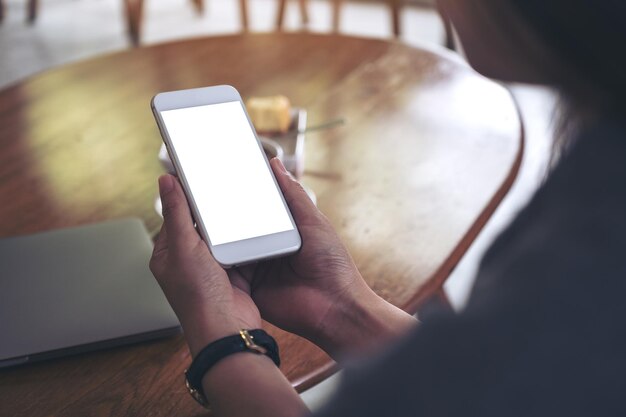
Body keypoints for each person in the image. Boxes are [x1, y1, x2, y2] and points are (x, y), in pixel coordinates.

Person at [149, 1, 626, 416]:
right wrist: (343, 307)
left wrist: (221, 340)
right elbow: (489, 386)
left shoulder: (589, 253)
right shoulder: (599, 166)